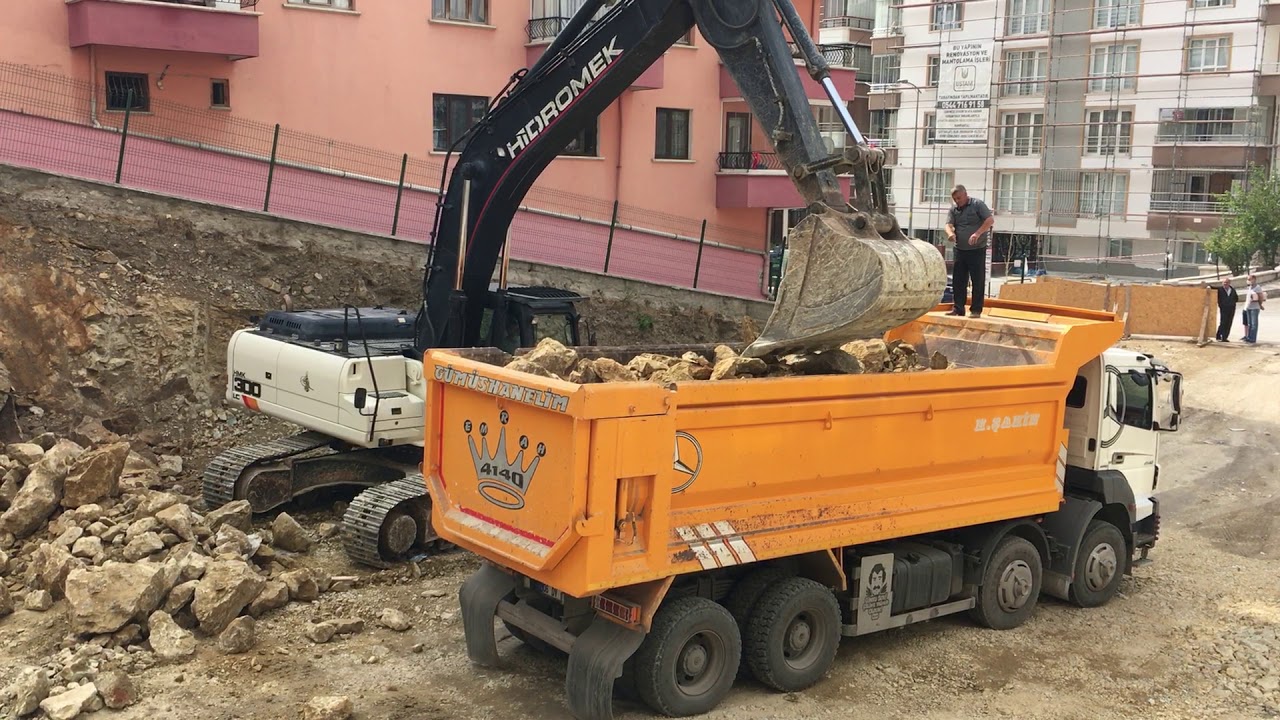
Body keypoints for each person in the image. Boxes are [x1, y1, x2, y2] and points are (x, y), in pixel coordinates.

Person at [944, 185, 995, 318]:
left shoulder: (977, 205)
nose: (957, 201)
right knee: (958, 280)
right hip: (960, 249)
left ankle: (976, 310)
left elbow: (989, 220)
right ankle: (958, 308)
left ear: (965, 194)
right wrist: (950, 233)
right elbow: (948, 224)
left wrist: (977, 233)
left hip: (977, 249)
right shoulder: (954, 209)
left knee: (977, 280)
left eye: (959, 198)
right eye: (955, 199)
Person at [1215, 276, 1240, 342]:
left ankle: (1225, 337)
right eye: (1224, 282)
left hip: (1231, 309)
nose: (1225, 284)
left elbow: (1236, 298)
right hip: (1223, 308)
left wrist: (1232, 303)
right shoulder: (1220, 289)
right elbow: (1212, 288)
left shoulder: (1232, 290)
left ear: (1229, 283)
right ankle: (1218, 335)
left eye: (1226, 282)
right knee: (1223, 322)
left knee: (1229, 323)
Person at [1243, 274, 1266, 343]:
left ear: (1254, 279)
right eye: (1248, 279)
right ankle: (1249, 337)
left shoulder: (1257, 287)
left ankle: (1252, 338)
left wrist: (1260, 305)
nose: (1248, 281)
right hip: (1248, 307)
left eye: (1250, 279)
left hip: (1254, 307)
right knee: (1249, 323)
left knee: (1254, 324)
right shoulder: (1250, 287)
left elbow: (1260, 297)